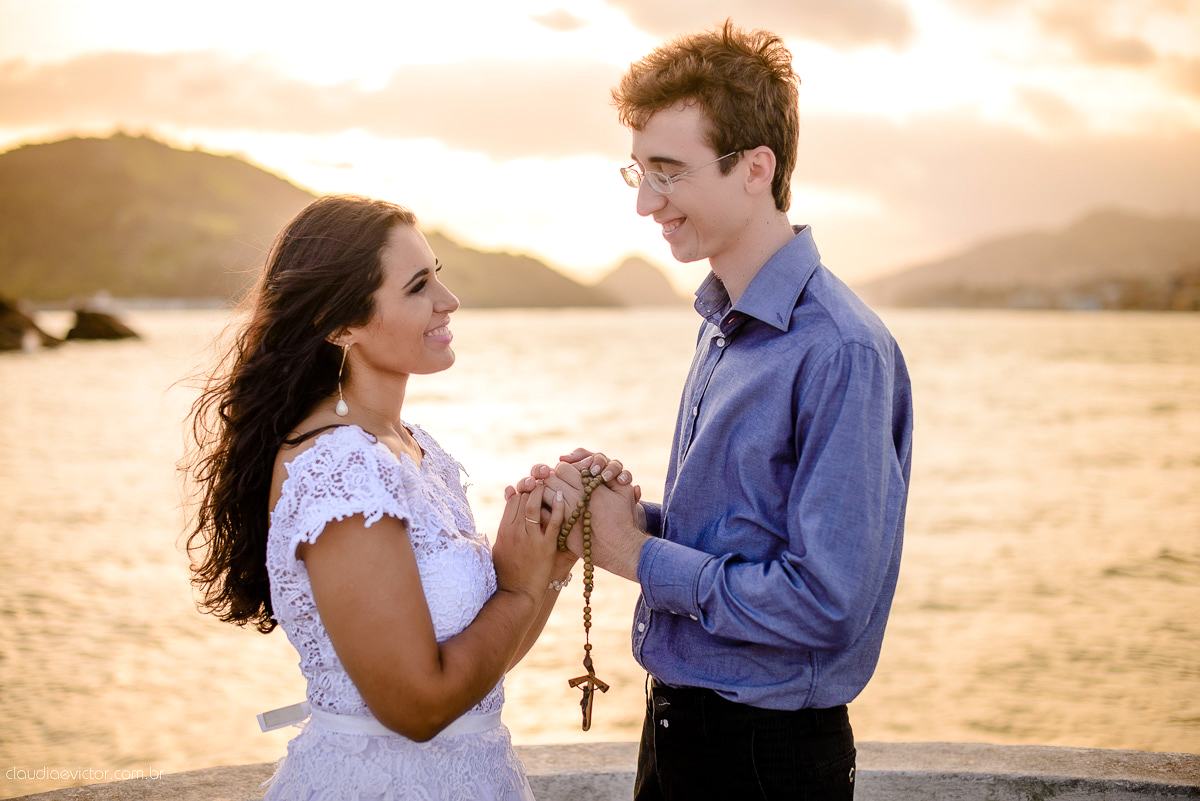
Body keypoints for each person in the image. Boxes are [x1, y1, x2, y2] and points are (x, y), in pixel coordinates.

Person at [520, 20, 914, 800]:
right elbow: (744, 539)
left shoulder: (841, 350)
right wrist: (631, 518)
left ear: (754, 169)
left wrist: (635, 555)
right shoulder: (721, 325)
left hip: (765, 759)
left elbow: (826, 602)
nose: (645, 202)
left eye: (668, 172)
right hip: (674, 733)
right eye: (637, 171)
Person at [184, 194, 587, 800]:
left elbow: (481, 670)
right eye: (419, 286)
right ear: (341, 325)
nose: (448, 303)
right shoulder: (340, 467)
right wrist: (519, 586)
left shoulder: (412, 450)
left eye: (439, 279)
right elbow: (418, 708)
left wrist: (551, 556)